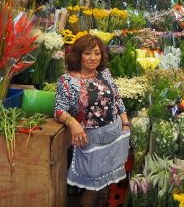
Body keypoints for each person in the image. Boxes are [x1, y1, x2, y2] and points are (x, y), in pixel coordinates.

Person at [54, 34, 130, 207]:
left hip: (114, 134)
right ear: (78, 56)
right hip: (91, 138)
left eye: (97, 53)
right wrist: (72, 122)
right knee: (93, 186)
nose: (93, 58)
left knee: (105, 183)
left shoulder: (104, 73)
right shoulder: (67, 81)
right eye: (88, 53)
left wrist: (125, 123)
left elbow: (117, 99)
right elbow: (59, 111)